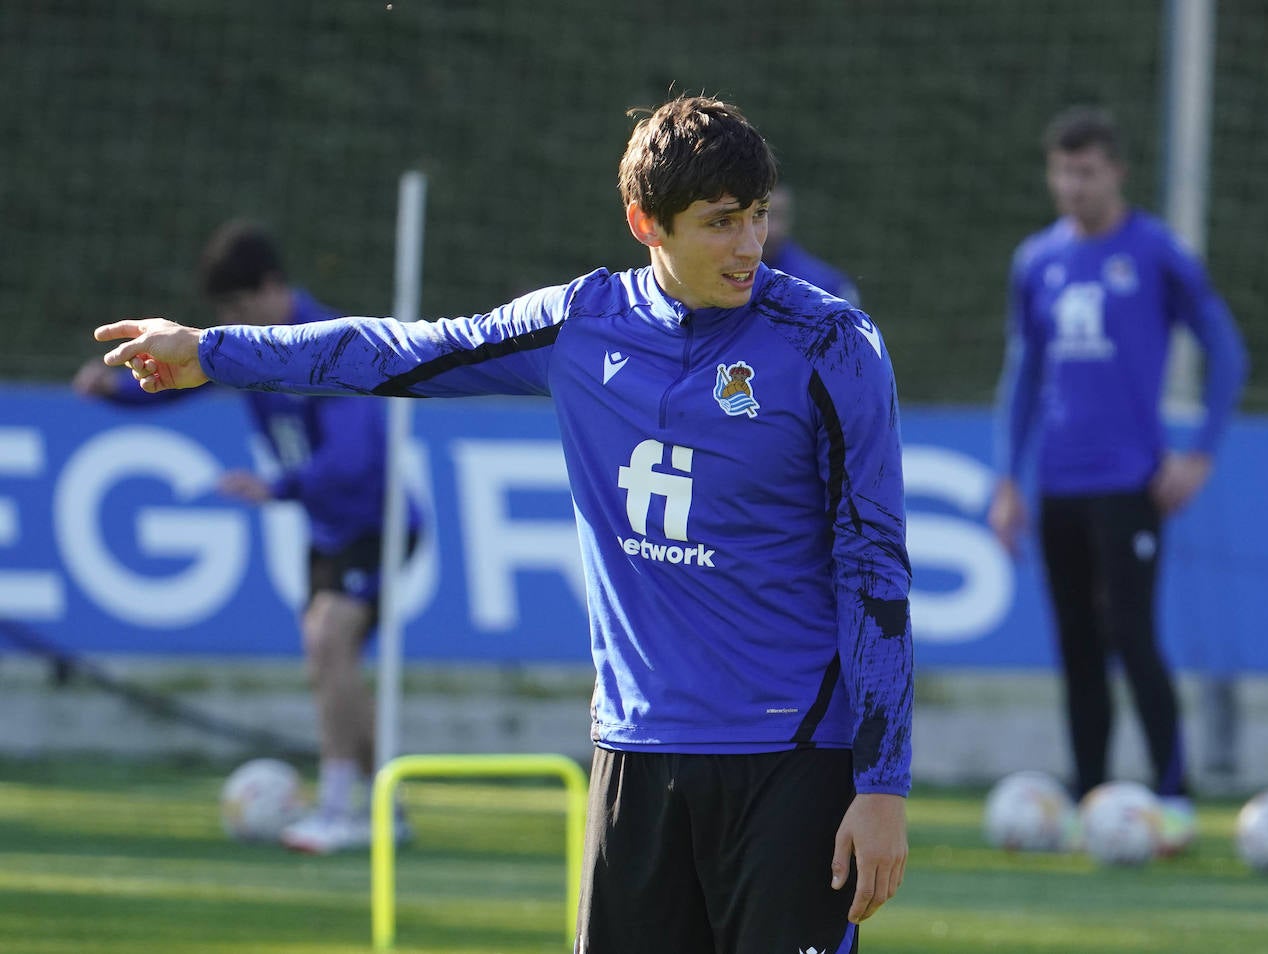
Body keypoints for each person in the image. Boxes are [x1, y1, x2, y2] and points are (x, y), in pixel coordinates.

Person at [93, 96, 914, 952]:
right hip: (635, 750)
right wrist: (212, 351)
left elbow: (875, 570)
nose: (749, 245)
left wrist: (882, 783)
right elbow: (400, 352)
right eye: (719, 223)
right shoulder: (580, 325)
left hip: (793, 759)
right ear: (645, 222)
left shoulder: (833, 345)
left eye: (754, 216)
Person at [75, 220, 423, 855]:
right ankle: (387, 807)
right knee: (327, 659)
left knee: (327, 637)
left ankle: (341, 808)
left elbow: (358, 457)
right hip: (326, 527)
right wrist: (118, 393)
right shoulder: (255, 345)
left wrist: (280, 488)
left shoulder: (327, 343)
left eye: (238, 307)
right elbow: (187, 380)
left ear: (272, 286)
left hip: (376, 521)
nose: (231, 320)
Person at [987, 106, 1248, 853]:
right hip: (1058, 486)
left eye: (1088, 171)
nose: (1074, 185)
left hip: (1132, 482)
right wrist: (1008, 479)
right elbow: (1024, 372)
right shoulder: (1036, 259)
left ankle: (1175, 799)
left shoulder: (1156, 250)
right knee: (1075, 646)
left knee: (1132, 635)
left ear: (1117, 173)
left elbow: (1226, 352)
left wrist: (1198, 452)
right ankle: (1091, 795)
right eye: (1063, 171)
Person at [762, 182, 862, 305]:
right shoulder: (734, 279)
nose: (774, 230)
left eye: (781, 216)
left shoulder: (828, 286)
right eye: (761, 215)